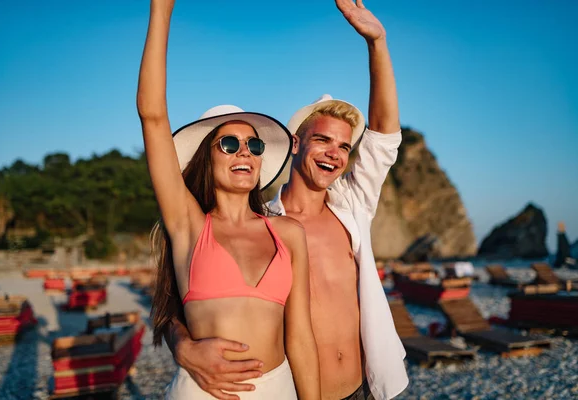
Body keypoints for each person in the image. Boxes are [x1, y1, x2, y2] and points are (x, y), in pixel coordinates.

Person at [164, 0, 409, 399]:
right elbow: (181, 301)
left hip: (366, 387)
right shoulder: (264, 224)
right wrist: (182, 346)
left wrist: (377, 43)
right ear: (295, 143)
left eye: (344, 147)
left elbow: (384, 138)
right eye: (323, 140)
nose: (334, 153)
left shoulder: (352, 205)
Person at [136, 0, 320, 399]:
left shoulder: (288, 232)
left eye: (254, 145)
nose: (245, 152)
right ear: (208, 156)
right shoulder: (188, 225)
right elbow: (152, 116)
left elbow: (301, 335)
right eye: (230, 143)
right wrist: (162, 9)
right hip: (203, 392)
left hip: (279, 388)